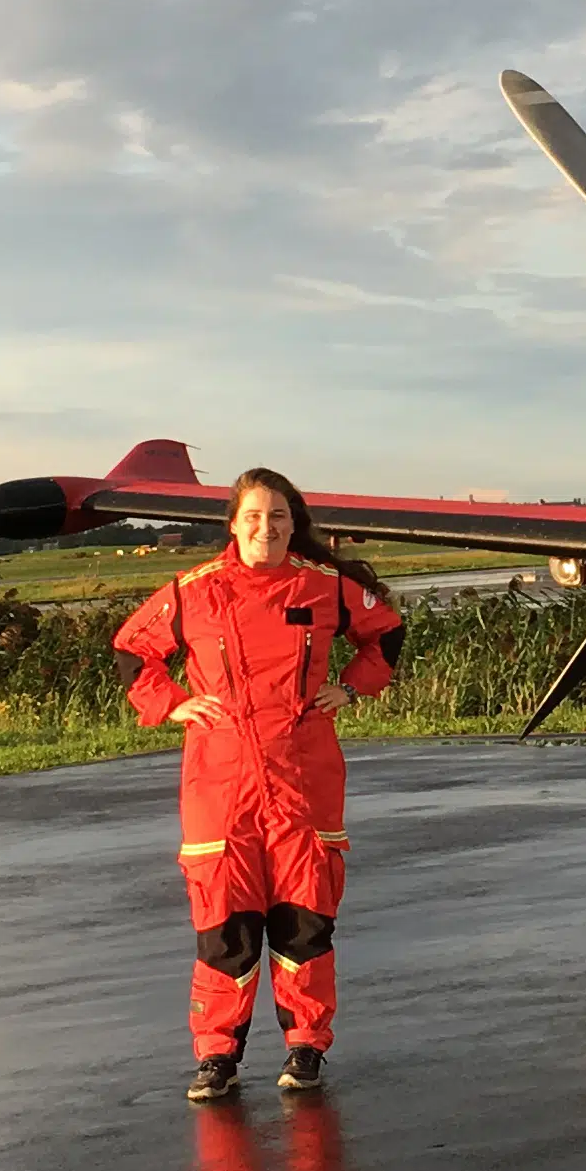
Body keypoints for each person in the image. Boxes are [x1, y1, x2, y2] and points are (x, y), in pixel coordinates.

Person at [114, 468, 405, 1101]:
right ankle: (217, 1055)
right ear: (233, 524)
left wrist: (352, 686)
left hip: (303, 776)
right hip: (220, 784)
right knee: (225, 925)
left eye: (277, 517)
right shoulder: (194, 591)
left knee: (304, 921)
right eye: (253, 516)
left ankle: (306, 1048)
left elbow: (386, 635)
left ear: (293, 523)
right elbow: (134, 651)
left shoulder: (325, 586)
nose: (265, 528)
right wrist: (172, 704)